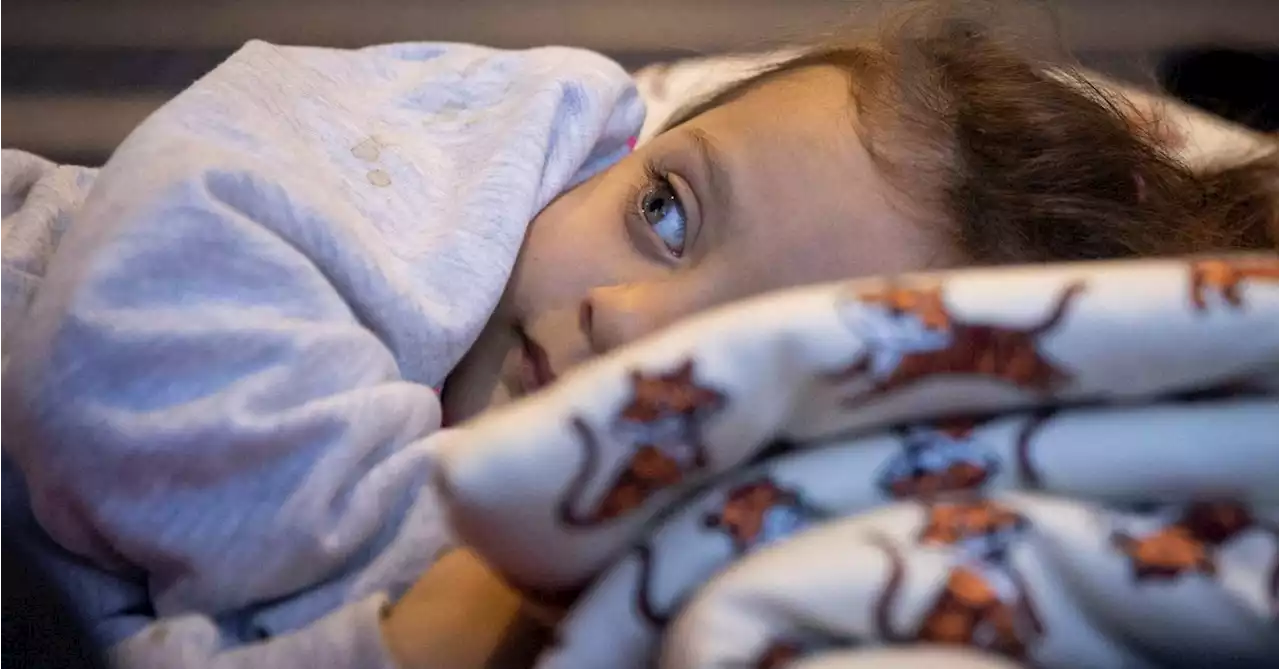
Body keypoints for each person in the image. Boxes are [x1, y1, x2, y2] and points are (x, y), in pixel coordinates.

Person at [0, 3, 1277, 668]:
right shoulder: (495, 137)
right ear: (629, 150)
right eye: (663, 214)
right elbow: (156, 300)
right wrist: (451, 555)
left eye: (727, 358)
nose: (626, 318)